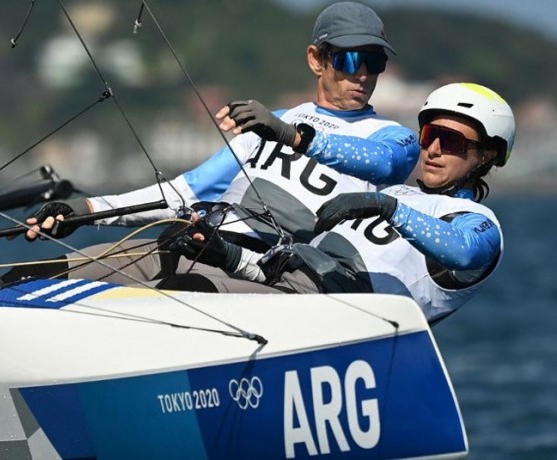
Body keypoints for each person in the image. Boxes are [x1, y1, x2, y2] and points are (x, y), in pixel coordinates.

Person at [3, 1, 419, 291]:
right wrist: (85, 211)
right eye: (349, 59)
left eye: (374, 61)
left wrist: (290, 135)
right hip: (190, 240)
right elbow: (184, 194)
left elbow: (384, 166)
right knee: (34, 276)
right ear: (317, 59)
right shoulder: (273, 123)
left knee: (170, 291)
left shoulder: (391, 137)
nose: (362, 73)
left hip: (264, 272)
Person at [165, 82, 513, 324]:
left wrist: (386, 208)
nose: (433, 149)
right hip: (280, 288)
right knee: (152, 267)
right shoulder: (393, 194)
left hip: (338, 317)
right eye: (429, 135)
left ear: (487, 155)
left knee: (179, 293)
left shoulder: (477, 220)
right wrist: (225, 254)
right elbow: (288, 268)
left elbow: (466, 251)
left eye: (450, 141)